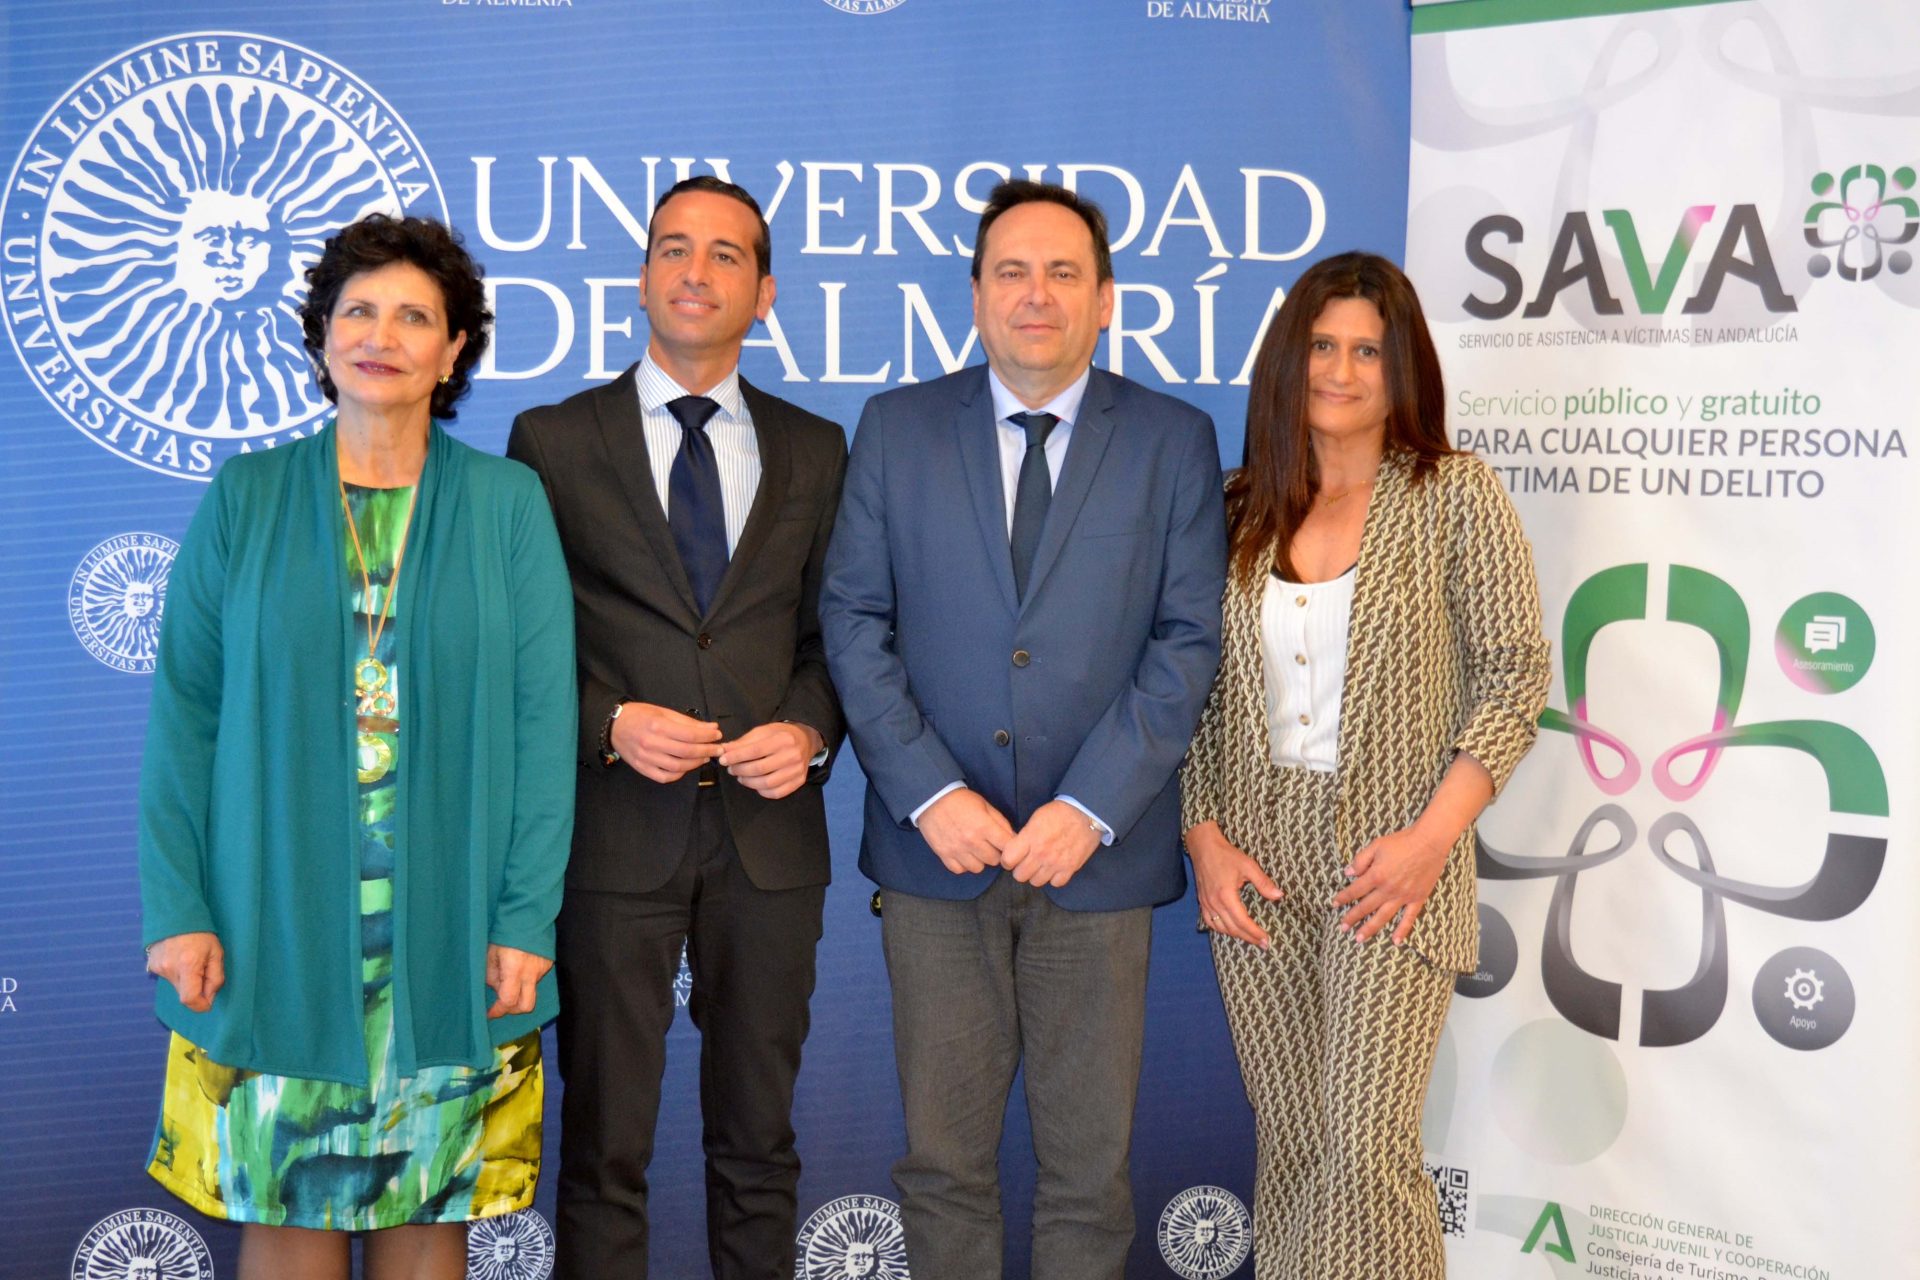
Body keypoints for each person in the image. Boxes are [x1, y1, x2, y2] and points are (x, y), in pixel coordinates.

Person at [138, 213, 576, 1278]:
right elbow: (185, 716)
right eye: (359, 311)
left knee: (429, 1226)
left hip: (453, 932)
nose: (382, 336)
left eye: (415, 317)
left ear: (454, 349)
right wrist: (179, 907)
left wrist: (524, 917)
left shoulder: (508, 504)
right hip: (267, 926)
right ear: (323, 336)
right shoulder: (246, 498)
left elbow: (542, 724)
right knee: (286, 1220)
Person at [820, 179, 1227, 1280]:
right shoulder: (898, 428)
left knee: (1089, 1175)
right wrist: (929, 791)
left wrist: (1090, 807)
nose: (1035, 294)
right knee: (943, 1167)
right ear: (976, 295)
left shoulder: (1173, 440)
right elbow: (853, 619)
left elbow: (1188, 640)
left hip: (1098, 860)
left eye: (1062, 272)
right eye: (1011, 271)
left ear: (1105, 297)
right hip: (935, 859)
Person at [1180, 251, 1552, 1278]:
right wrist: (1204, 840)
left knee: (1363, 1151)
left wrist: (1431, 841)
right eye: (1321, 346)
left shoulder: (1452, 494)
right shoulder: (1236, 508)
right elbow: (1192, 694)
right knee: (1295, 1145)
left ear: (1403, 371)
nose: (1340, 371)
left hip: (1391, 863)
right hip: (1256, 865)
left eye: (1368, 351)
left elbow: (1515, 676)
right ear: (1286, 361)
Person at [507, 176, 846, 1280]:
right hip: (612, 838)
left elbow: (838, 637)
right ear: (644, 276)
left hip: (769, 846)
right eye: (673, 249)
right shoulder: (553, 440)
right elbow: (520, 646)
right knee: (604, 1149)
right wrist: (608, 722)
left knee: (759, 1147)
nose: (695, 272)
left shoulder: (818, 449)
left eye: (725, 254)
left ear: (764, 294)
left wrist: (808, 733)